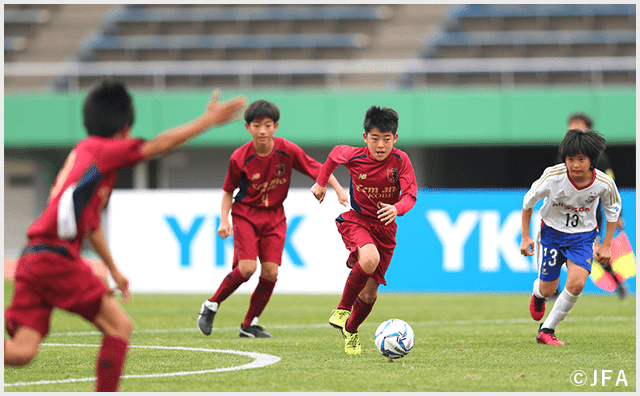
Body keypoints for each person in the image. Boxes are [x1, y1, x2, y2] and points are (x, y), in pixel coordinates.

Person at [4, 80, 246, 391]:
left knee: (22, 352)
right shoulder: (102, 152)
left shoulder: (85, 156)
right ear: (124, 128)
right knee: (119, 326)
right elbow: (158, 145)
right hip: (54, 258)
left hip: (33, 258)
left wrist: (114, 270)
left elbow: (90, 227)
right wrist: (208, 121)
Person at [197, 100, 348, 338]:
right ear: (248, 128)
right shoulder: (239, 157)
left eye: (268, 125)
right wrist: (224, 221)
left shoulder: (287, 150)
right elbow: (228, 191)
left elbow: (319, 168)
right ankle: (211, 305)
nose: (263, 131)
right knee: (246, 268)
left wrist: (338, 190)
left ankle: (248, 325)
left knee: (270, 272)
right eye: (257, 125)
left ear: (276, 126)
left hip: (275, 217)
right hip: (246, 214)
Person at [310, 106, 417, 354]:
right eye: (375, 138)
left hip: (386, 229)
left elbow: (410, 195)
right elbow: (335, 154)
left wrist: (397, 208)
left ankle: (351, 329)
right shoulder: (354, 156)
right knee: (369, 258)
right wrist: (321, 182)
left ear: (395, 138)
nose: (380, 145)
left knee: (369, 295)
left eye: (386, 139)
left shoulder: (400, 161)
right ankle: (342, 310)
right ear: (365, 137)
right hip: (357, 220)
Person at [520, 129, 622, 345]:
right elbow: (528, 203)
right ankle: (538, 294)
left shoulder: (604, 183)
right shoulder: (552, 177)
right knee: (548, 289)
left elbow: (612, 211)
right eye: (570, 159)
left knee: (576, 284)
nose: (575, 165)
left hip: (582, 238)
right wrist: (525, 237)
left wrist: (606, 245)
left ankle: (547, 330)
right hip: (552, 235)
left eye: (581, 159)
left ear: (592, 160)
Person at [547, 112, 627, 300]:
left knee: (595, 254)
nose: (572, 127)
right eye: (571, 124)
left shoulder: (601, 159)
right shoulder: (562, 155)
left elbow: (611, 188)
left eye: (577, 124)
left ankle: (617, 281)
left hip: (587, 216)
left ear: (587, 129)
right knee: (555, 249)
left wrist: (618, 214)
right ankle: (554, 290)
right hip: (561, 214)